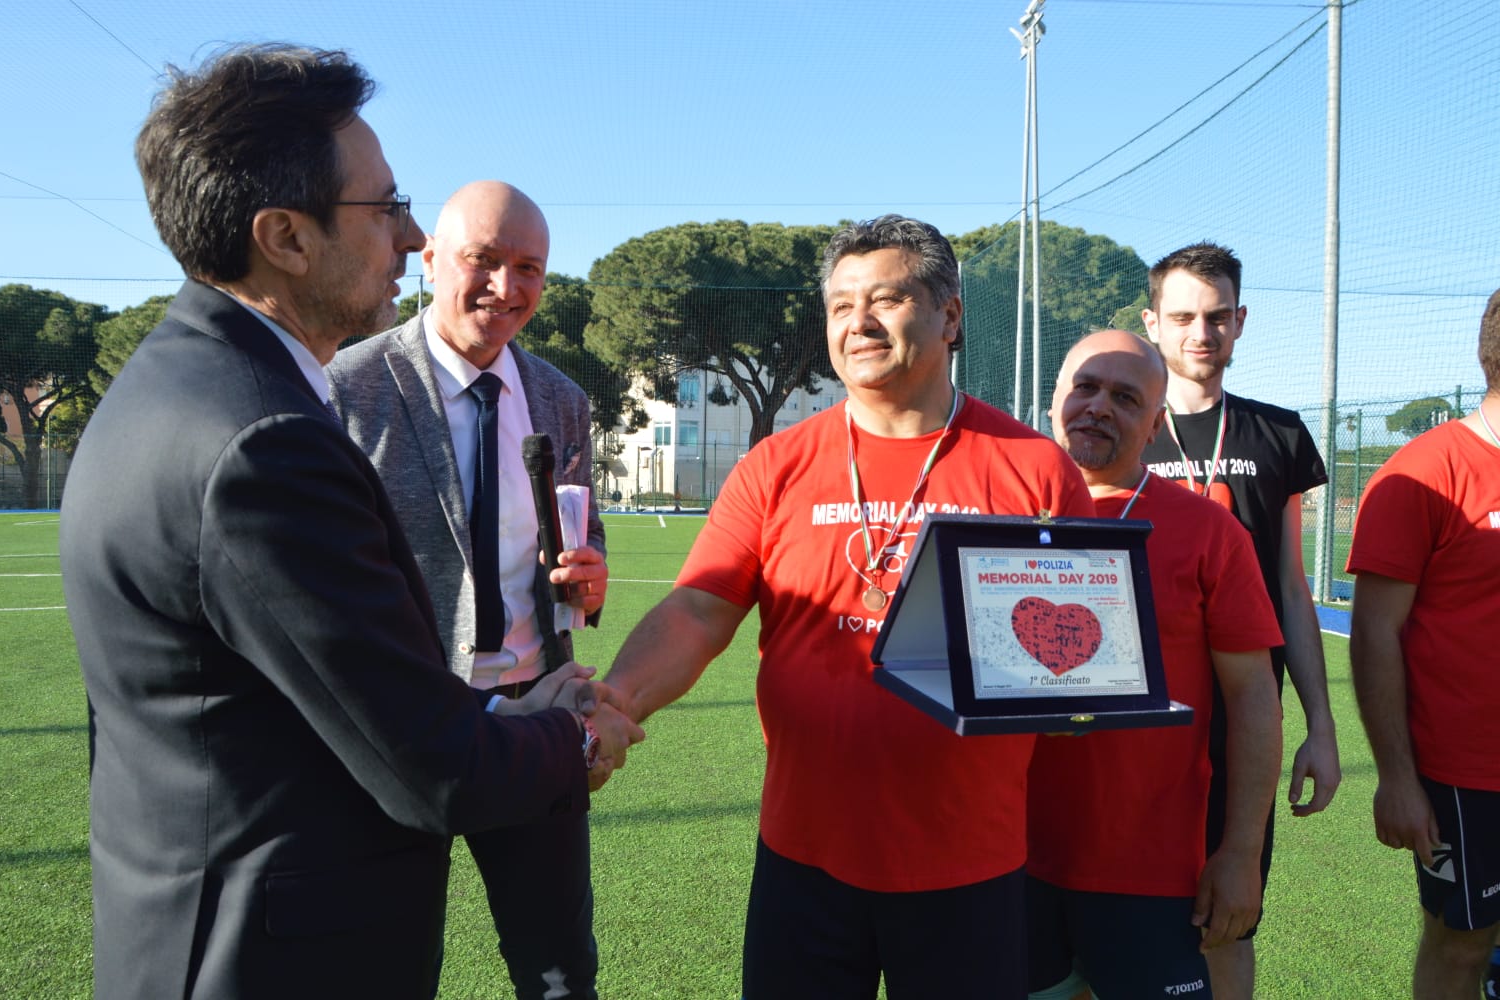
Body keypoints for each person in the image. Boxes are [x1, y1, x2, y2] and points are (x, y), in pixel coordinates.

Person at [59, 45, 618, 1000]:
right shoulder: (266, 436)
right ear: (286, 236)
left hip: (219, 917)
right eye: (385, 207)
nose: (404, 235)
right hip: (274, 945)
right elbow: (431, 767)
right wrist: (570, 736)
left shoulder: (178, 381)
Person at [603, 214, 1094, 998]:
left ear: (950, 316)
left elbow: (1076, 655)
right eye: (840, 305)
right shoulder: (776, 465)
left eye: (887, 299)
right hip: (804, 859)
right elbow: (698, 611)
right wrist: (615, 700)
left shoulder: (1036, 470)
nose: (858, 322)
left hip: (969, 867)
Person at [327, 180, 643, 1000]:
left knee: (559, 972)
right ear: (432, 261)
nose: (506, 287)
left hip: (537, 715)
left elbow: (581, 547)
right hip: (407, 724)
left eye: (529, 268)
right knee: (388, 969)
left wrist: (590, 583)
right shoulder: (346, 387)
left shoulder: (561, 400)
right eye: (484, 259)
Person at [1028, 330, 1283, 1000]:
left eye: (1125, 397)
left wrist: (1241, 853)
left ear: (1155, 423)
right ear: (1054, 399)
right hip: (1008, 861)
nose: (1098, 407)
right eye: (1085, 387)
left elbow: (1254, 696)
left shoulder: (1210, 531)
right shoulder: (997, 516)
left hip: (1151, 872)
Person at [1139, 241, 1341, 997]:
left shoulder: (1278, 433)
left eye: (1218, 316)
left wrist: (1320, 727)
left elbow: (1291, 589)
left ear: (1241, 320)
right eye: (1183, 316)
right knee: (1105, 919)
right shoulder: (1119, 427)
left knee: (1227, 921)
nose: (1202, 332)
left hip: (1241, 718)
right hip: (1134, 718)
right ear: (1152, 323)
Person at [1346, 288, 1500, 999]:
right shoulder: (1422, 473)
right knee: (1462, 945)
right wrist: (1397, 778)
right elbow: (1375, 631)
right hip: (1466, 774)